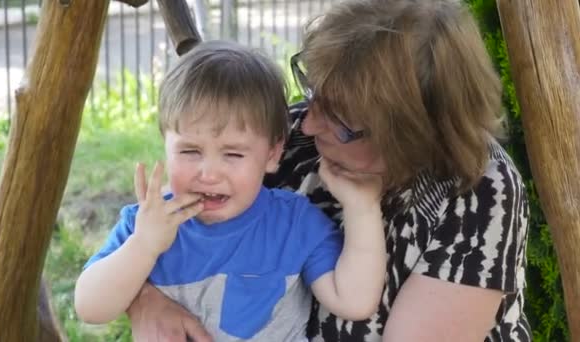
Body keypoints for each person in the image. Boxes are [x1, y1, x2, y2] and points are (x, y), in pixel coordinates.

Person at [126, 0, 531, 341]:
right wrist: (146, 299)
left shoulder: (479, 190)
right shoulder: (295, 139)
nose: (307, 123)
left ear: (409, 133)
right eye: (315, 91)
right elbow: (163, 230)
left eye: (339, 118)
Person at [74, 40, 387, 341]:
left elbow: (354, 301)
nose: (208, 173)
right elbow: (90, 308)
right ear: (165, 144)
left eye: (233, 154)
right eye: (190, 151)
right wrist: (143, 245)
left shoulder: (294, 223)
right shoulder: (147, 222)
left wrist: (362, 208)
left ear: (272, 155)